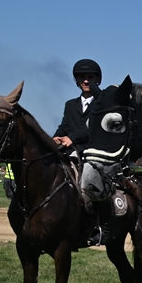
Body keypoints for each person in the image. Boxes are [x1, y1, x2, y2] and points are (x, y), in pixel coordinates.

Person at [53, 59, 105, 245]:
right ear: (76, 80)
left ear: (97, 79)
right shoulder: (70, 104)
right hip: (71, 151)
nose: (86, 80)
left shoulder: (104, 102)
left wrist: (72, 138)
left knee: (93, 185)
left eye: (90, 77)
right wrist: (55, 137)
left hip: (93, 152)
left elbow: (95, 128)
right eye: (82, 77)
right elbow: (65, 126)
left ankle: (102, 226)